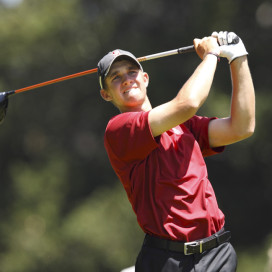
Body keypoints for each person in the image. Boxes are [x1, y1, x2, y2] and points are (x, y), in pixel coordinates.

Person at [97, 31, 255, 272]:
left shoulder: (184, 126)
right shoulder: (118, 131)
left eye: (131, 71)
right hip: (168, 261)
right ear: (106, 94)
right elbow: (189, 103)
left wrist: (237, 57)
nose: (127, 79)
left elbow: (241, 127)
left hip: (218, 253)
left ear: (146, 78)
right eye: (116, 77)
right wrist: (211, 54)